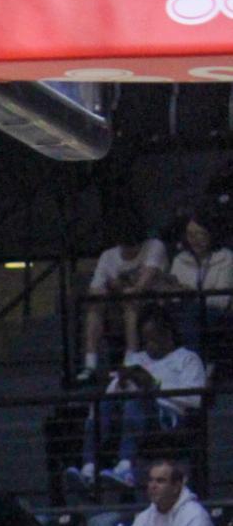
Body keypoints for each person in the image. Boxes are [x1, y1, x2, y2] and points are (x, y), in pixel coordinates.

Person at [74, 310, 207, 490]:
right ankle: (88, 469)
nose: (149, 346)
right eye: (145, 341)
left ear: (167, 335)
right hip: (131, 414)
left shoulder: (187, 359)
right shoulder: (137, 358)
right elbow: (112, 393)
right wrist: (119, 383)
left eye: (153, 339)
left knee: (136, 400)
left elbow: (194, 399)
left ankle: (126, 467)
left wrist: (154, 386)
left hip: (168, 417)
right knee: (103, 403)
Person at [77, 217, 169, 379]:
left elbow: (141, 286)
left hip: (151, 302)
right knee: (95, 307)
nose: (129, 251)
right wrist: (108, 289)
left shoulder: (155, 246)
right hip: (117, 304)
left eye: (134, 246)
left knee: (131, 304)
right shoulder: (108, 256)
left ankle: (131, 359)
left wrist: (119, 285)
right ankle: (90, 363)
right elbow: (95, 290)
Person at [165, 208, 233, 347]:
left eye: (199, 234)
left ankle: (193, 363)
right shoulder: (180, 259)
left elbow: (222, 300)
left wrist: (192, 295)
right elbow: (173, 293)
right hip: (180, 310)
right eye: (190, 234)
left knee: (192, 315)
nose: (194, 239)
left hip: (212, 312)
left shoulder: (226, 257)